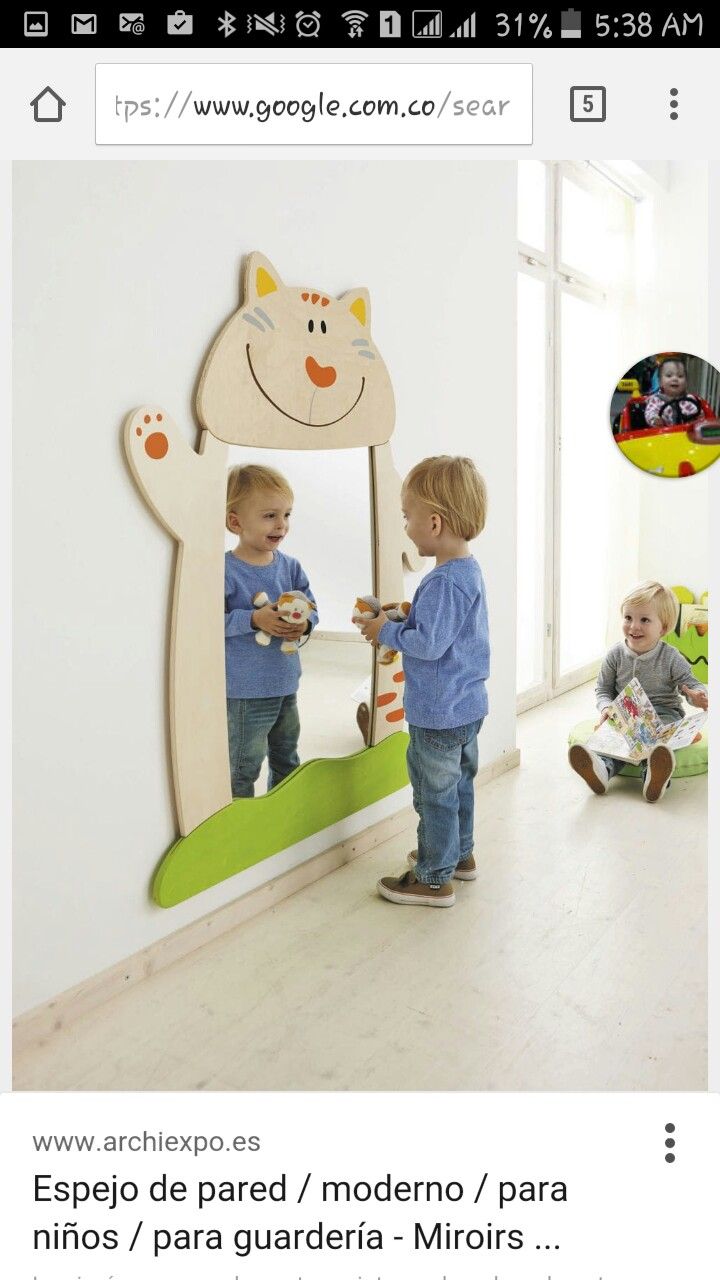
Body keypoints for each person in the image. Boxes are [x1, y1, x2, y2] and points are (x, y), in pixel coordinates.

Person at [358, 455, 489, 907]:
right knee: (459, 785)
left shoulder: (442, 583)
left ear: (434, 523)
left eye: (407, 517)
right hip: (468, 707)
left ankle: (433, 876)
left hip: (437, 713)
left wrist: (384, 631)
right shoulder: (466, 572)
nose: (406, 527)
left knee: (434, 794)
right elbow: (446, 634)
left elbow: (429, 645)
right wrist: (403, 618)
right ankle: (459, 854)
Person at [568, 581, 708, 803]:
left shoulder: (671, 657)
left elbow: (690, 685)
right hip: (625, 715)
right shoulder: (615, 655)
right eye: (628, 618)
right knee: (616, 740)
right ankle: (601, 772)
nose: (634, 626)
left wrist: (698, 696)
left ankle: (653, 777)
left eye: (644, 620)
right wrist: (606, 708)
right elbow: (603, 689)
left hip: (663, 713)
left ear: (663, 627)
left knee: (655, 743)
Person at [225, 464, 317, 798]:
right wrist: (253, 619)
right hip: (246, 692)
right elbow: (207, 625)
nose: (281, 524)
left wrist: (303, 625)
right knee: (243, 765)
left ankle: (282, 818)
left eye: (287, 514)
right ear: (236, 522)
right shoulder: (224, 570)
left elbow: (312, 609)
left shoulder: (290, 567)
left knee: (286, 757)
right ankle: (238, 824)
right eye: (269, 515)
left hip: (285, 683)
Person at [643, 357, 706, 427]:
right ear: (660, 382)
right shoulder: (656, 400)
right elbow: (650, 412)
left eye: (680, 376)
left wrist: (698, 417)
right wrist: (655, 419)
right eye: (669, 376)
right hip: (663, 435)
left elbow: (697, 413)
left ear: (686, 383)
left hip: (685, 434)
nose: (675, 379)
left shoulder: (690, 400)